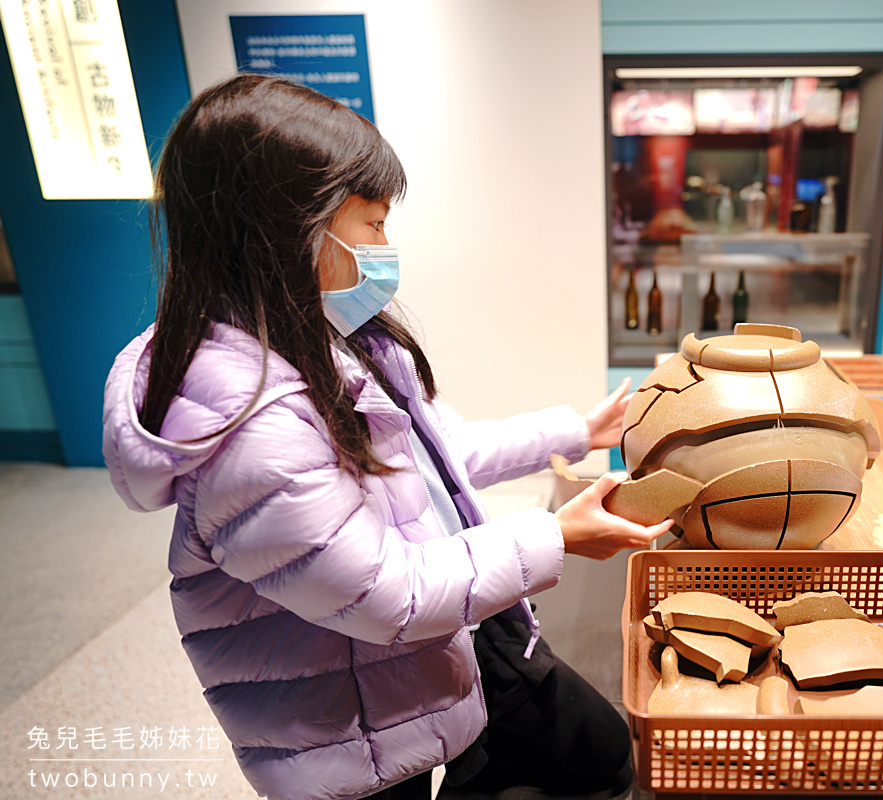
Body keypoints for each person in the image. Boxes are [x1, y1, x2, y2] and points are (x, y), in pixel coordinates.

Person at [101, 74, 671, 800]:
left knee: (584, 749)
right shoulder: (251, 428)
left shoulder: (341, 340)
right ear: (291, 230)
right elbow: (386, 595)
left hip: (415, 660)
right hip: (347, 731)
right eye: (371, 225)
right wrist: (555, 536)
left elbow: (438, 458)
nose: (385, 248)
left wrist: (575, 431)